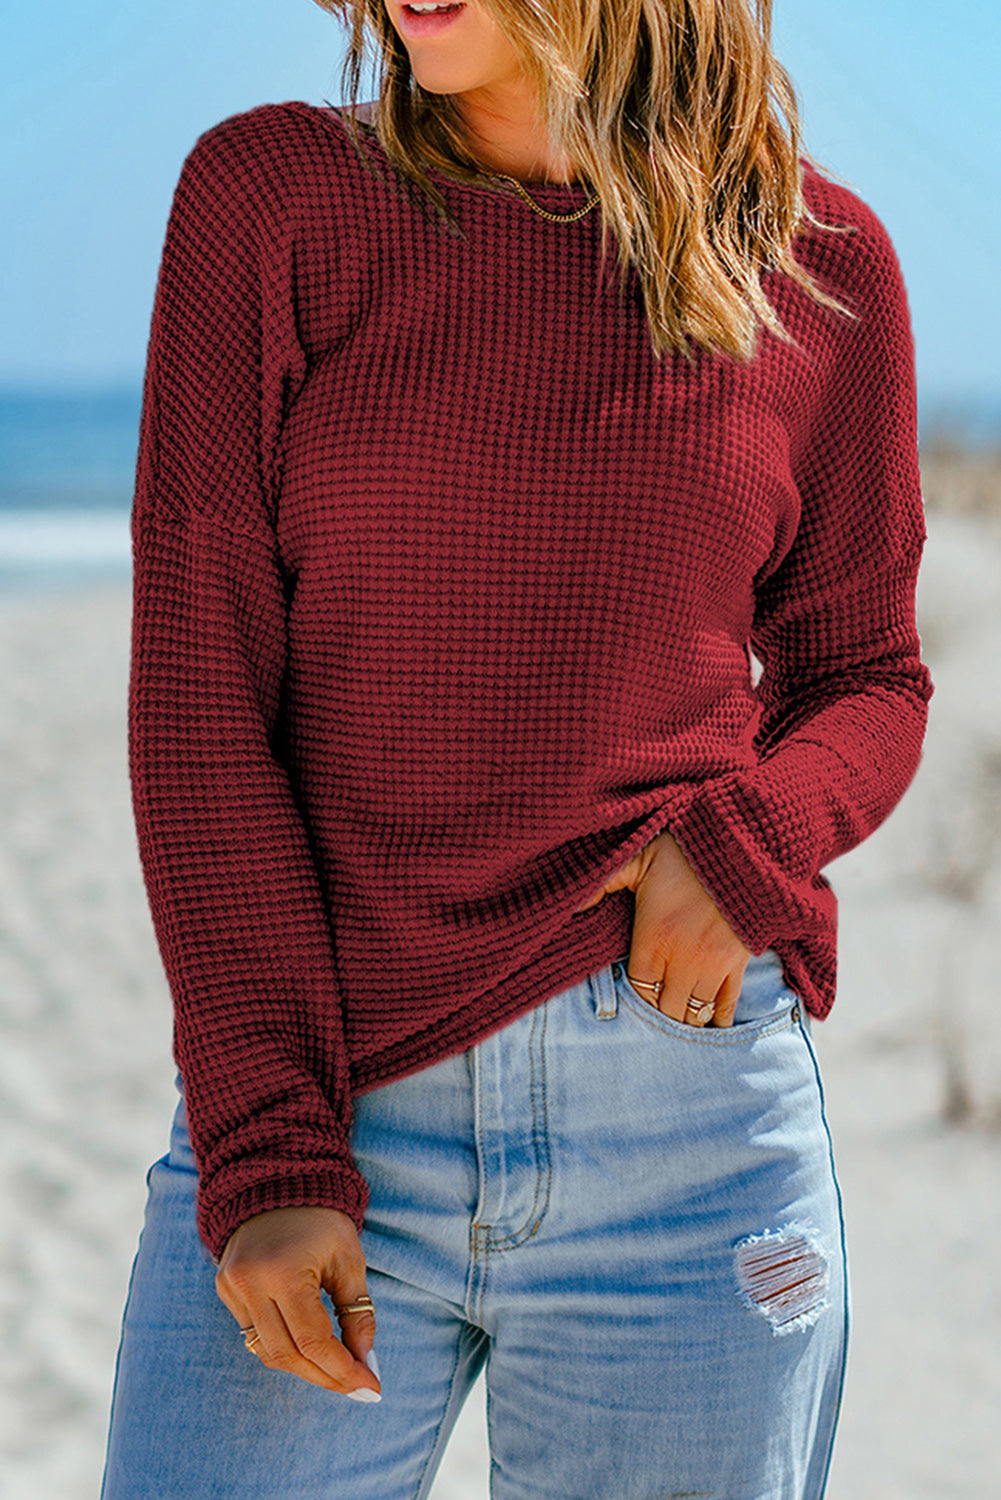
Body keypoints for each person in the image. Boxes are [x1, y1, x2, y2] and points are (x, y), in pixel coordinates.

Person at [100, 1, 933, 1495]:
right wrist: (268, 1142)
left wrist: (746, 846)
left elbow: (865, 678)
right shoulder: (273, 198)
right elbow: (200, 704)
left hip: (690, 1134)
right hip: (330, 1103)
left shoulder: (821, 264)